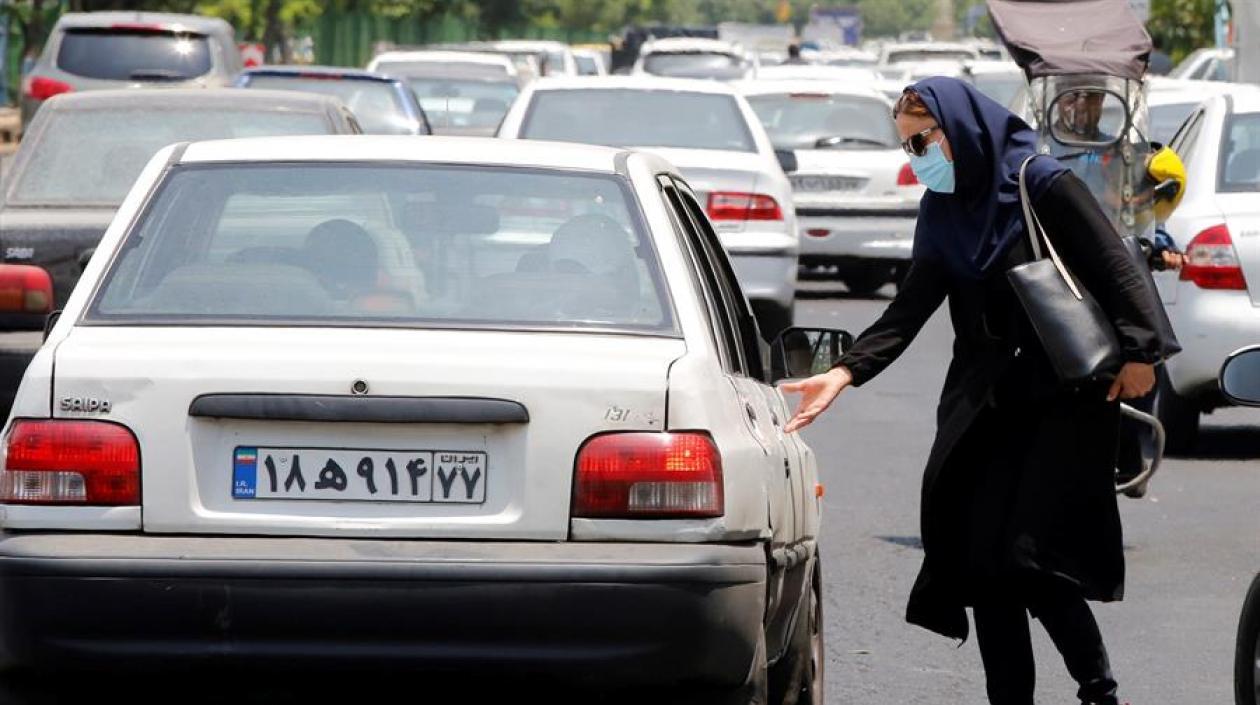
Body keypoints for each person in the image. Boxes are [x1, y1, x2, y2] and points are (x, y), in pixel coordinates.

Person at [781, 77, 1173, 705]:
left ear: (959, 129)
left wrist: (1142, 354)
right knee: (983, 568)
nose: (918, 159)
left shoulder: (1039, 183)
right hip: (982, 406)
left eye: (924, 141)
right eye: (907, 146)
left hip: (1057, 401)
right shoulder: (943, 207)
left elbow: (1114, 266)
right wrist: (846, 371)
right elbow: (911, 304)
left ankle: (1098, 690)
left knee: (1033, 563)